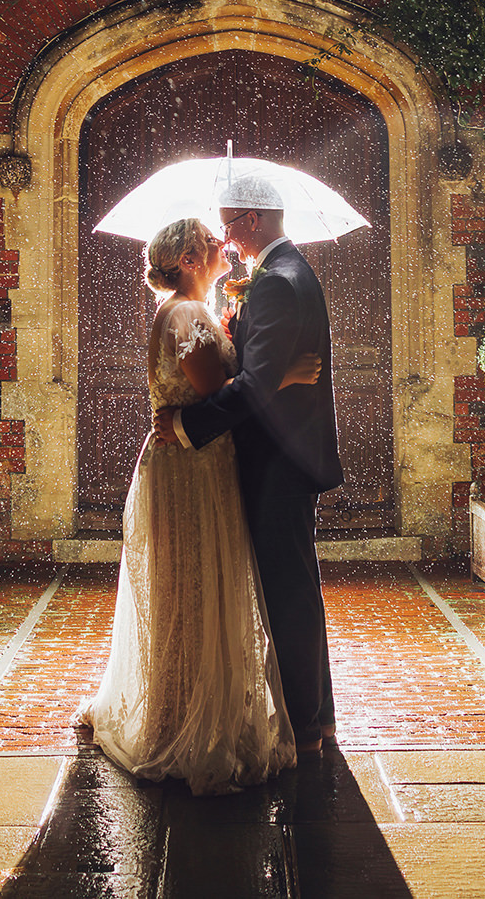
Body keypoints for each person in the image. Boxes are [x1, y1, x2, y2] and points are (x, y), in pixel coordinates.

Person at [78, 216, 323, 794]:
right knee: (192, 585)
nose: (223, 245)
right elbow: (218, 393)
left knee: (190, 586)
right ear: (189, 259)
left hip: (198, 463)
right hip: (190, 468)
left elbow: (220, 378)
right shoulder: (186, 315)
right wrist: (280, 375)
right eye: (211, 244)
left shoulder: (193, 311)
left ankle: (182, 703)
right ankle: (185, 719)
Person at [154, 174, 343, 757]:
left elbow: (254, 382)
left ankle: (308, 725)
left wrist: (188, 427)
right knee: (294, 587)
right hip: (279, 456)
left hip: (277, 461)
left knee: (287, 590)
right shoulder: (282, 276)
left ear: (254, 221)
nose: (229, 242)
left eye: (231, 226)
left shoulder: (278, 284)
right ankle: (316, 717)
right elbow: (254, 371)